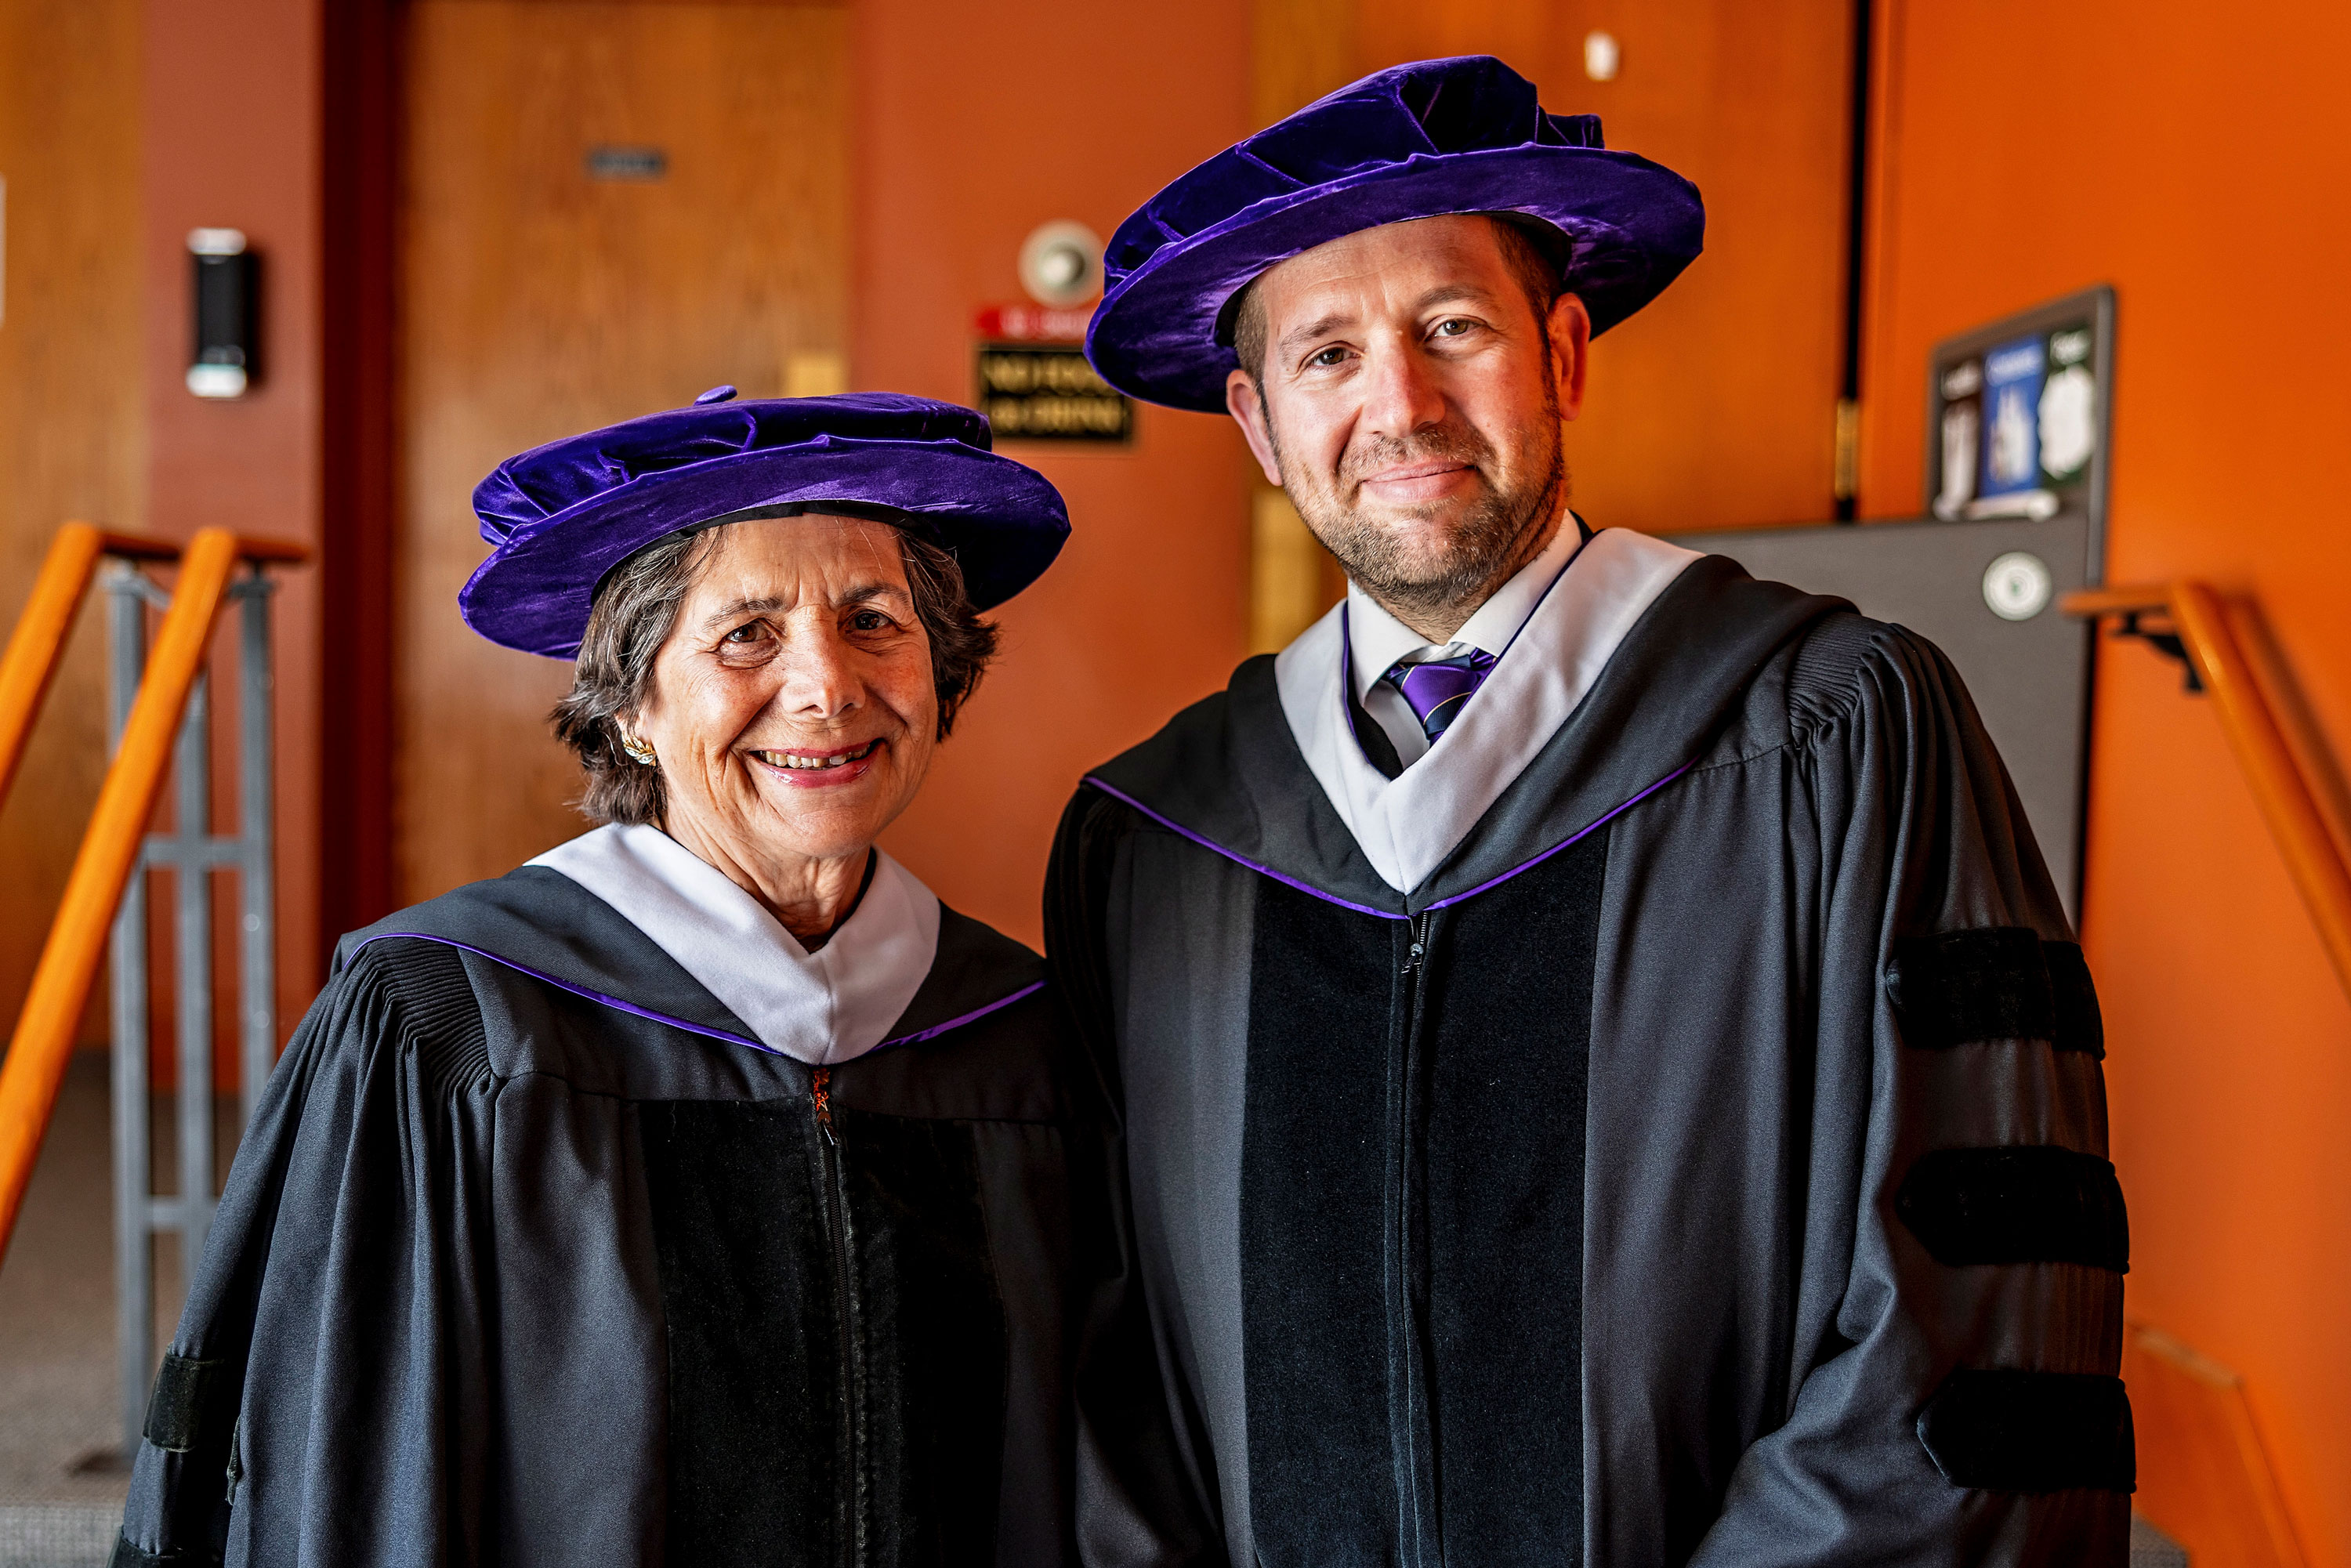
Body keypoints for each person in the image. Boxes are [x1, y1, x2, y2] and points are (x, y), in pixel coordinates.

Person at [1050, 56, 2129, 1567]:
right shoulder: (1158, 837)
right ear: (1256, 420)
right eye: (1328, 357)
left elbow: (1971, 1318)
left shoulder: (1836, 731)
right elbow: (1113, 1368)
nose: (1400, 404)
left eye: (1452, 328)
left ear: (1562, 351)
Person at [113, 391, 1190, 1566]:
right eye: (746, 633)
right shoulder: (449, 1024)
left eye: (874, 620)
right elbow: (355, 1479)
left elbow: (1107, 1463)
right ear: (632, 705)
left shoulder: (1019, 1035)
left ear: (941, 672)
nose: (827, 686)